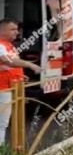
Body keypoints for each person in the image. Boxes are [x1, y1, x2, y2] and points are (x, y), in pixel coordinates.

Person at [0, 18, 42, 146]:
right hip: (3, 88)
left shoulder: (8, 45)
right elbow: (8, 61)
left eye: (17, 29)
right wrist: (29, 64)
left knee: (3, 123)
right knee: (2, 123)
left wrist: (19, 76)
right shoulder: (1, 44)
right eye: (12, 29)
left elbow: (8, 66)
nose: (16, 32)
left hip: (9, 87)